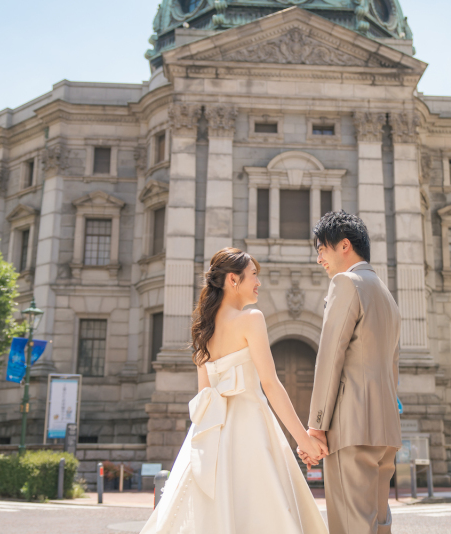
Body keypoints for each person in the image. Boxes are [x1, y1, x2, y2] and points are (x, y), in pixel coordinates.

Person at [139, 248, 329, 534]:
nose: (258, 282)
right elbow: (270, 384)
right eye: (253, 275)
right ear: (232, 279)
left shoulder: (203, 329)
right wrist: (304, 440)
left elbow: (204, 394)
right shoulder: (252, 319)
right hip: (251, 426)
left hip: (210, 431)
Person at [297, 211, 402, 534]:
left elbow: (330, 357)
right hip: (386, 430)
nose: (319, 259)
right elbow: (392, 367)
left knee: (351, 525)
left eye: (321, 250)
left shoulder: (346, 283)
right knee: (378, 523)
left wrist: (317, 426)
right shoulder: (386, 294)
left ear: (344, 245)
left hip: (351, 426)